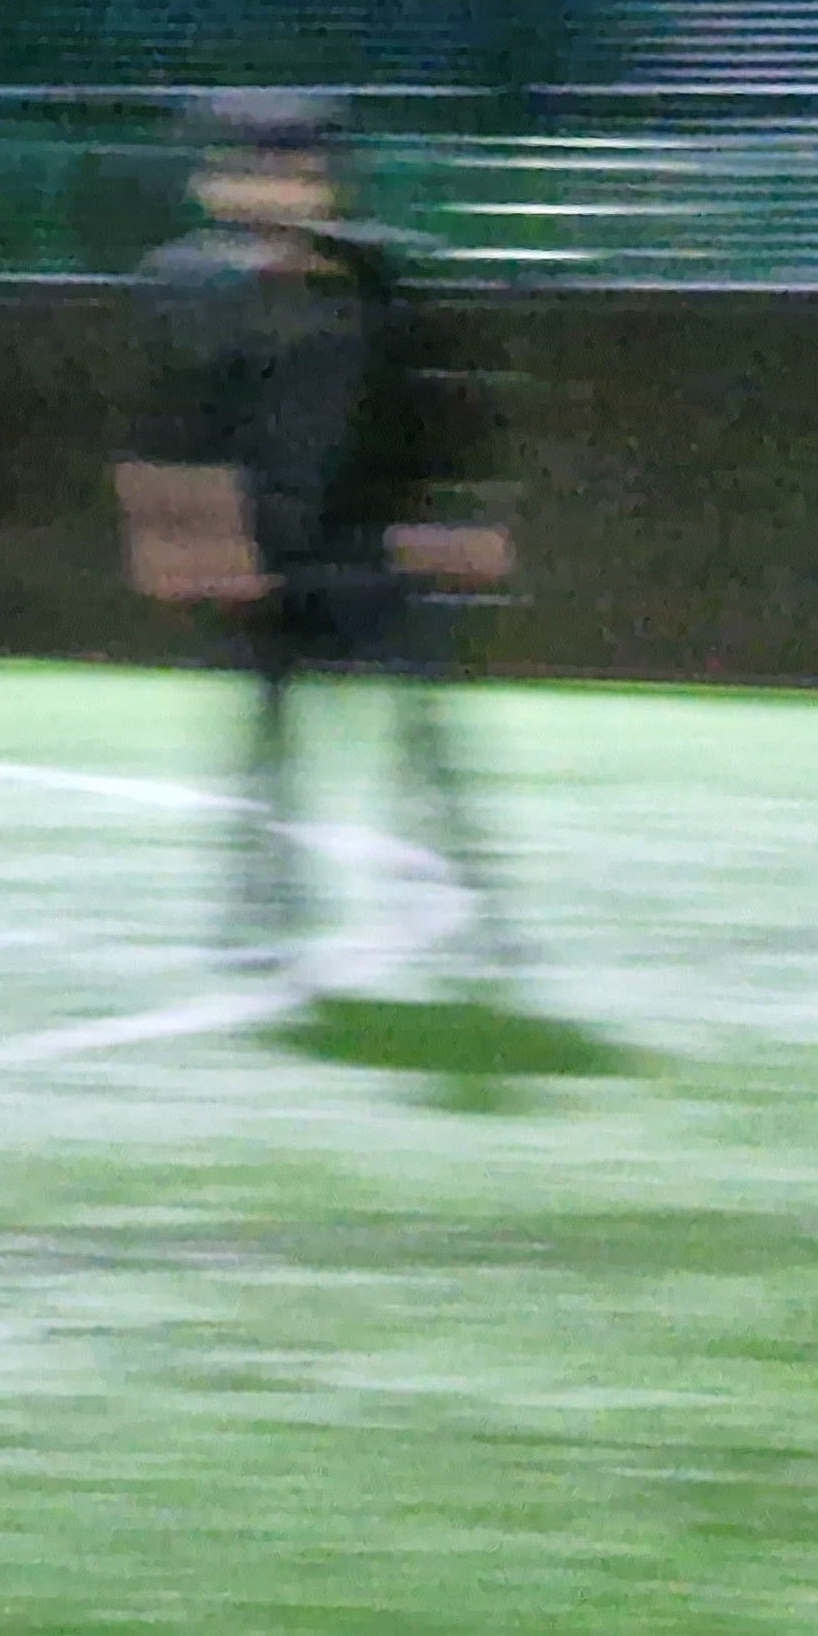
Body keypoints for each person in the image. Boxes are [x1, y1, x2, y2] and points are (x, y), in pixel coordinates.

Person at [115, 92, 516, 981]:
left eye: (298, 171)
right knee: (269, 744)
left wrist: (454, 520)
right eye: (256, 171)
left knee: (424, 738)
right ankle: (260, 912)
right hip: (265, 556)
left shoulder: (381, 279)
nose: (279, 190)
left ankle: (467, 914)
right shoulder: (186, 287)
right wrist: (183, 537)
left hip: (373, 545)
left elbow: (441, 410)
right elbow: (166, 424)